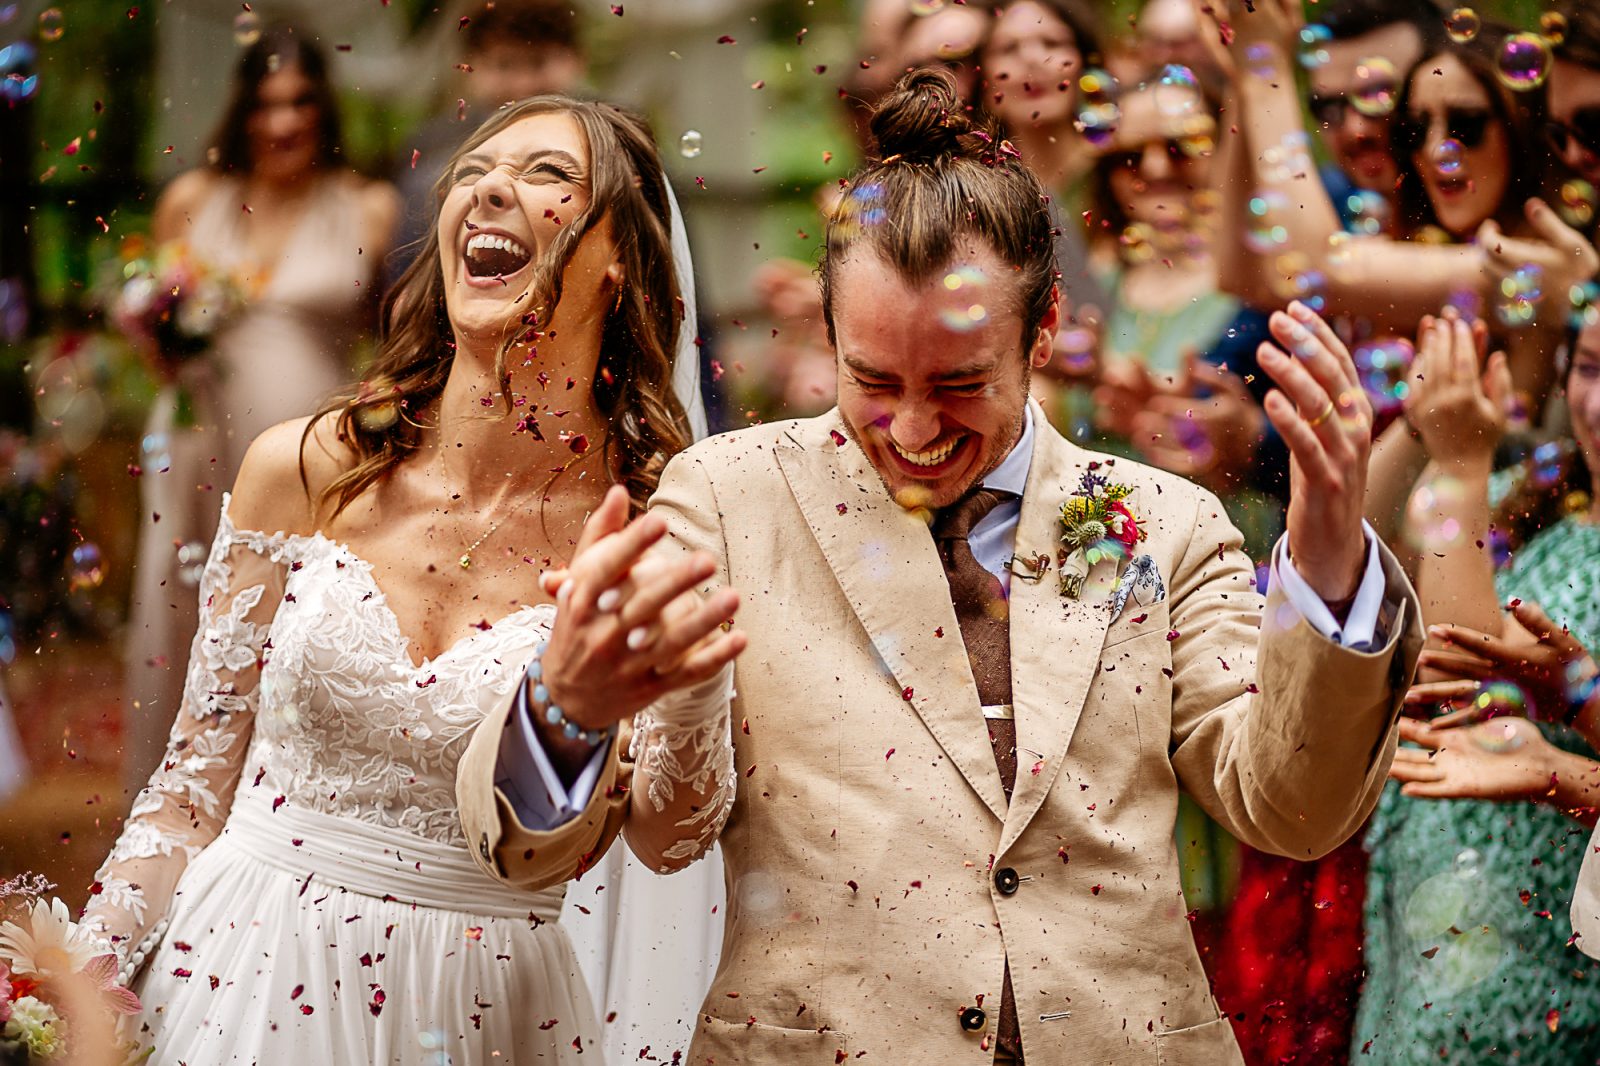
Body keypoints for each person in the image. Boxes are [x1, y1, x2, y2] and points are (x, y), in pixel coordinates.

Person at [460, 68, 1423, 1064]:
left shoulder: (1153, 520)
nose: (915, 429)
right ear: (829, 333)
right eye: (875, 381)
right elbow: (636, 834)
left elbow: (1290, 806)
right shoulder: (731, 498)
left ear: (1044, 330)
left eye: (961, 384)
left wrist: (1326, 564)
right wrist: (566, 704)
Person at [85, 93, 716, 1064]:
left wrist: (647, 695)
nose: (491, 187)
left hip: (485, 1016)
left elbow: (666, 840)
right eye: (474, 171)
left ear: (621, 258)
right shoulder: (302, 468)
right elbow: (192, 784)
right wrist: (81, 983)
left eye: (548, 174)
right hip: (238, 979)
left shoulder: (647, 531)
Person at [123, 25, 400, 796]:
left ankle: (278, 801)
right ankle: (174, 801)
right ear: (242, 109)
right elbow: (157, 332)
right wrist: (156, 331)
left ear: (324, 108)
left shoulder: (366, 207)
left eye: (302, 101)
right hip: (195, 441)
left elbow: (395, 344)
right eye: (268, 103)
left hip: (307, 458)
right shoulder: (193, 200)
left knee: (290, 616)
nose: (285, 121)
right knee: (185, 611)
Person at [1355, 312, 1600, 1060]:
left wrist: (1460, 469)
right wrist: (1427, 427)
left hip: (1534, 952)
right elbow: (1355, 539)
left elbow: (1462, 681)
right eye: (1589, 366)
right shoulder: (1551, 504)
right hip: (1436, 907)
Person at [389, 0, 585, 284]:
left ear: (577, 61)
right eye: (505, 64)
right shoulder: (432, 149)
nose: (523, 85)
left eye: (538, 62)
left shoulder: (613, 139)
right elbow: (408, 275)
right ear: (471, 67)